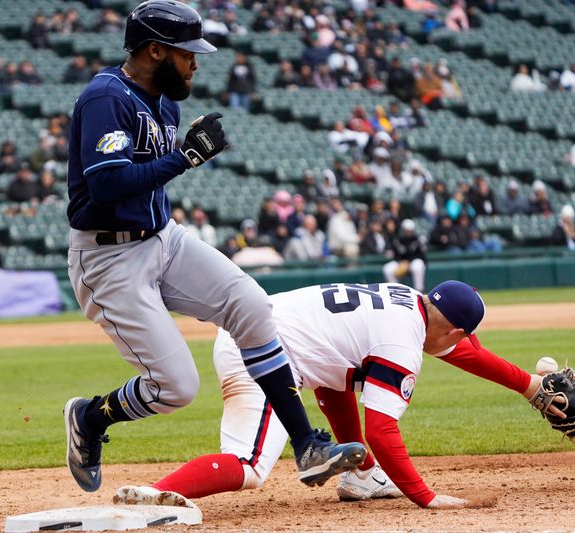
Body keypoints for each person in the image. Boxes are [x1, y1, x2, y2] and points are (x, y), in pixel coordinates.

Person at [63, 0, 365, 497]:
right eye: (187, 53)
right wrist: (184, 158)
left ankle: (308, 445)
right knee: (176, 388)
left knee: (250, 305)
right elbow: (108, 187)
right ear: (156, 50)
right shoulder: (105, 98)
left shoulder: (165, 100)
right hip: (109, 258)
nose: (195, 63)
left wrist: (180, 159)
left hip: (163, 238)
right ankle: (91, 418)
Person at [113, 281, 557, 509]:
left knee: (340, 378)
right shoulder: (404, 340)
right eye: (462, 338)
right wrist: (425, 496)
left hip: (257, 332)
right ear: (456, 330)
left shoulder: (404, 300)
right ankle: (153, 497)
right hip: (260, 351)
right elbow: (383, 431)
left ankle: (361, 476)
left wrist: (528, 385)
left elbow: (332, 382)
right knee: (249, 466)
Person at [383, 219, 426, 292]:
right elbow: (396, 254)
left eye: (409, 230)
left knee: (417, 265)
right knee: (387, 268)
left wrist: (408, 262)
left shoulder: (418, 239)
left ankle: (419, 290)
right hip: (401, 262)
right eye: (406, 230)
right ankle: (395, 291)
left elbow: (421, 255)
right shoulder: (398, 239)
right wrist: (400, 261)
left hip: (414, 262)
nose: (408, 232)